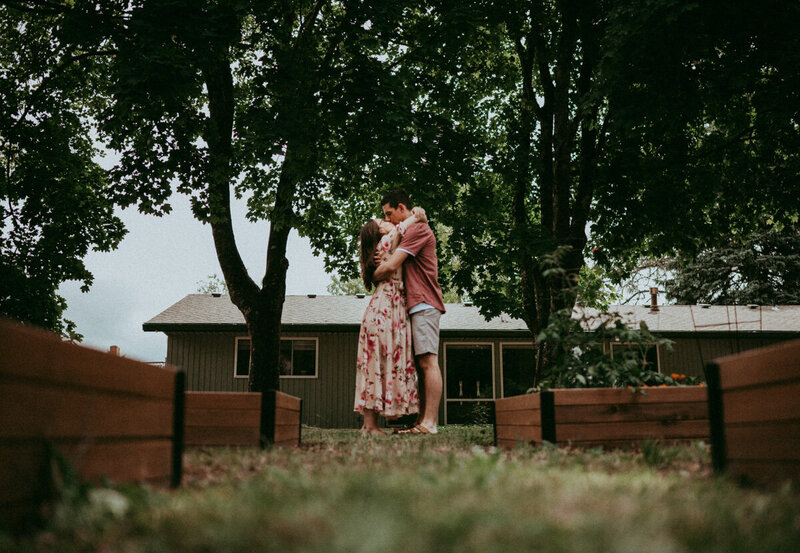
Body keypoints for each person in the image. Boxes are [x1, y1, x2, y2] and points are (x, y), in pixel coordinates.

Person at [373, 189, 446, 435]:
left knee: (428, 361)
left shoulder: (417, 230)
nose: (389, 218)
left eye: (390, 213)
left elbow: (392, 264)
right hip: (414, 306)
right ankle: (421, 422)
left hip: (425, 302)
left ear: (402, 208)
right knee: (420, 364)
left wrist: (372, 272)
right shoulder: (410, 226)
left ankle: (431, 423)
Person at [353, 208, 428, 436]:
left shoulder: (381, 247)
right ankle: (370, 425)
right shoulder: (387, 242)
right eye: (381, 222)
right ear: (378, 233)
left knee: (374, 364)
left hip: (382, 308)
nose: (387, 221)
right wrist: (418, 214)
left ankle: (369, 425)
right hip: (387, 309)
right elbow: (406, 225)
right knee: (378, 364)